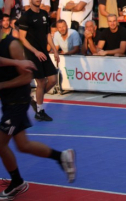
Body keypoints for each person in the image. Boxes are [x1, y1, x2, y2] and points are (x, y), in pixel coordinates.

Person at [0, 33, 76, 198]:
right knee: (23, 145)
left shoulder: (12, 45)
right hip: (8, 102)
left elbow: (27, 77)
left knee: (0, 144)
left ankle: (17, 182)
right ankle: (61, 156)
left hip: (17, 102)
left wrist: (2, 85)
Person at [17, 0, 59, 122]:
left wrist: (54, 50)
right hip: (33, 53)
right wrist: (35, 51)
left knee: (53, 80)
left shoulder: (44, 14)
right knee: (41, 82)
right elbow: (22, 38)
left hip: (44, 52)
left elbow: (48, 35)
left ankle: (36, 100)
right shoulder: (26, 16)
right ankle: (40, 111)